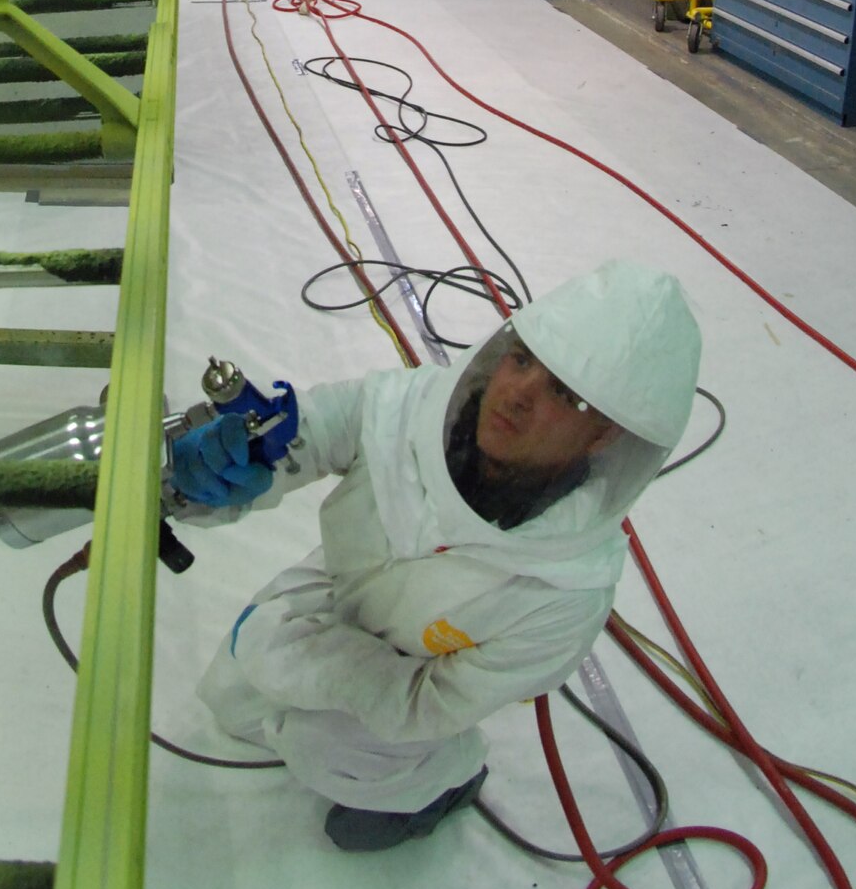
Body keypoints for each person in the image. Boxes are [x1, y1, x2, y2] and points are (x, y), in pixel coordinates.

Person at [175, 260, 702, 852]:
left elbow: (439, 702)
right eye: (523, 359)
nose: (518, 395)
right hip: (336, 590)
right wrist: (210, 477)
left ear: (606, 433)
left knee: (320, 745)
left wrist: (313, 660)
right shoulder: (404, 411)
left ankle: (448, 778)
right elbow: (308, 434)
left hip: (412, 672)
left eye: (563, 394)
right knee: (231, 701)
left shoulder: (566, 592)